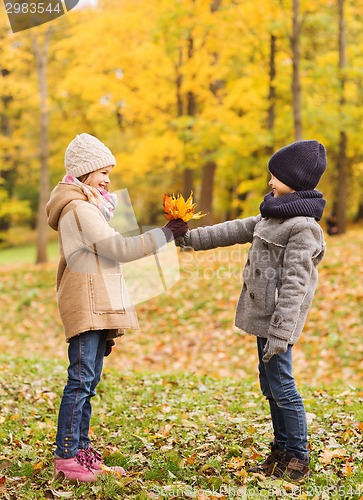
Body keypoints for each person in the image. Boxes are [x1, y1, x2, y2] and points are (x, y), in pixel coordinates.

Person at [171, 140, 327, 482]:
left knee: (284, 387)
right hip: (261, 320)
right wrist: (187, 238)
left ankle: (298, 456)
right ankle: (282, 449)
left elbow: (295, 287)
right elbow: (231, 230)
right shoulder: (271, 215)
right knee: (270, 386)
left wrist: (281, 335)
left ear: (295, 180)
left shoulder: (303, 228)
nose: (270, 182)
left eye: (276, 177)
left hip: (278, 325)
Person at [46, 133, 183, 483]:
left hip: (96, 303)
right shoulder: (79, 209)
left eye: (110, 173)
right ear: (84, 171)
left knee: (88, 383)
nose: (108, 180)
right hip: (86, 303)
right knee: (80, 381)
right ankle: (67, 456)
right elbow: (118, 250)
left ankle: (82, 451)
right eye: (103, 172)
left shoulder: (89, 205)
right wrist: (164, 234)